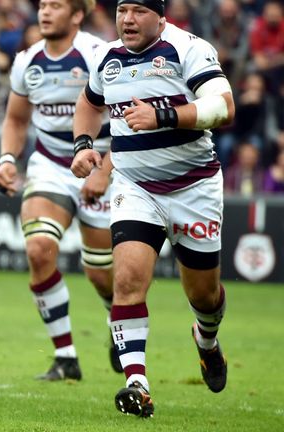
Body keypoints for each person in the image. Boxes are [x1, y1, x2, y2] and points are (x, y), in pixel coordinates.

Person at [71, 0, 235, 418]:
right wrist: (84, 147)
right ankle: (136, 383)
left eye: (138, 11)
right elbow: (89, 105)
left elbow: (223, 107)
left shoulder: (188, 48)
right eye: (122, 10)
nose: (127, 19)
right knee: (126, 280)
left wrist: (163, 115)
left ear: (161, 17)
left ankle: (207, 341)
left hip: (193, 187)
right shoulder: (107, 58)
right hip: (135, 186)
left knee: (203, 295)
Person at [0, 0, 120, 382]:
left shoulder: (100, 56)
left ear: (77, 15)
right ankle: (66, 356)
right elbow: (16, 119)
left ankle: (121, 319)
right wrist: (6, 159)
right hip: (50, 165)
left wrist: (106, 170)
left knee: (101, 274)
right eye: (43, 5)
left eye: (56, 5)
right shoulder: (27, 62)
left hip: (103, 165)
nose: (45, 12)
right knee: (38, 249)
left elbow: (129, 119)